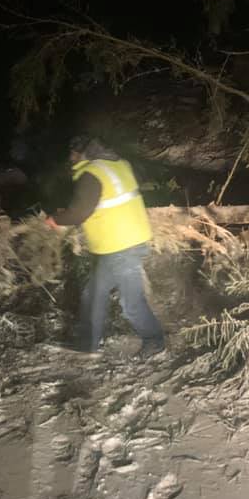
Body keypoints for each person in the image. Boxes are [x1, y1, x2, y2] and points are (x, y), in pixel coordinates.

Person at [45, 136, 165, 357]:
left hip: (123, 246)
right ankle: (87, 345)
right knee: (93, 294)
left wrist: (57, 219)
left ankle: (154, 341)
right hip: (121, 243)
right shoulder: (118, 164)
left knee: (131, 302)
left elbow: (80, 212)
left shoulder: (92, 173)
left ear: (80, 153)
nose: (70, 159)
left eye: (72, 154)